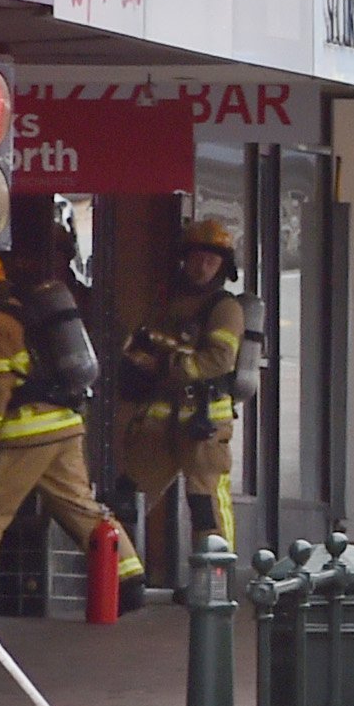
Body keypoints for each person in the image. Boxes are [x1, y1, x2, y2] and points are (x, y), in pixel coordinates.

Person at [0, 225, 145, 613]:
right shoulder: (35, 308)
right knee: (78, 505)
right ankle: (129, 578)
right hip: (63, 427)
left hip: (25, 434)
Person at [120, 218, 246, 553]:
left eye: (211, 260)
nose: (202, 266)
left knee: (205, 504)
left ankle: (215, 585)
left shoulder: (225, 308)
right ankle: (122, 577)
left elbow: (219, 359)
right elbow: (143, 341)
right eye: (196, 258)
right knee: (125, 495)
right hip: (161, 419)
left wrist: (165, 365)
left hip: (203, 422)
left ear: (223, 266)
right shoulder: (167, 304)